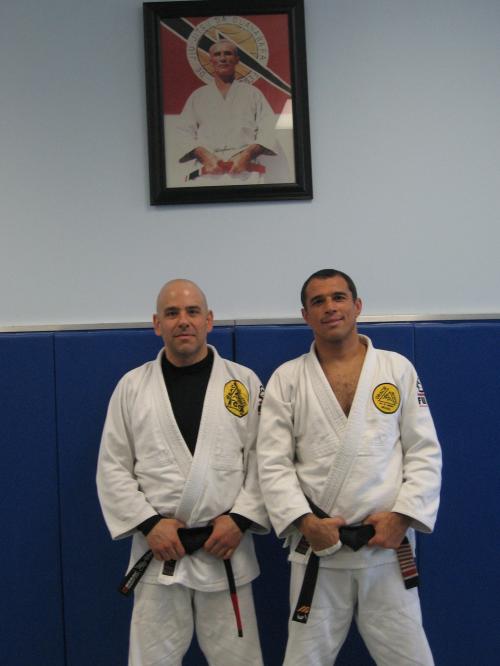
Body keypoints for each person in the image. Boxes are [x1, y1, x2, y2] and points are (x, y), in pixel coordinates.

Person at [257, 269, 442, 665]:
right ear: (305, 315)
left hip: (386, 546)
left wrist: (402, 518)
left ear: (357, 306)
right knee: (305, 659)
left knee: (410, 658)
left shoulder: (396, 369)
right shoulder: (287, 379)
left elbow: (424, 451)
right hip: (318, 548)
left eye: (338, 297)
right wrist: (305, 522)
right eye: (318, 301)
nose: (330, 307)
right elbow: (271, 464)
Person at [97, 279, 268, 666]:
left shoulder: (243, 383)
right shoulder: (132, 387)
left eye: (192, 311)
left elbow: (265, 461)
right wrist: (149, 525)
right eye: (172, 313)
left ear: (209, 320)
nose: (183, 321)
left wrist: (240, 520)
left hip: (225, 552)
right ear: (157, 324)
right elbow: (113, 467)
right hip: (159, 554)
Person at [176, 40, 279, 185]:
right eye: (217, 54)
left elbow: (268, 129)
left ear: (237, 59)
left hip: (246, 172)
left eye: (228, 54)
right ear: (211, 60)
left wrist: (247, 155)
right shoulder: (198, 96)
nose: (223, 58)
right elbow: (183, 132)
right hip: (208, 172)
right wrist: (204, 156)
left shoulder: (252, 93)